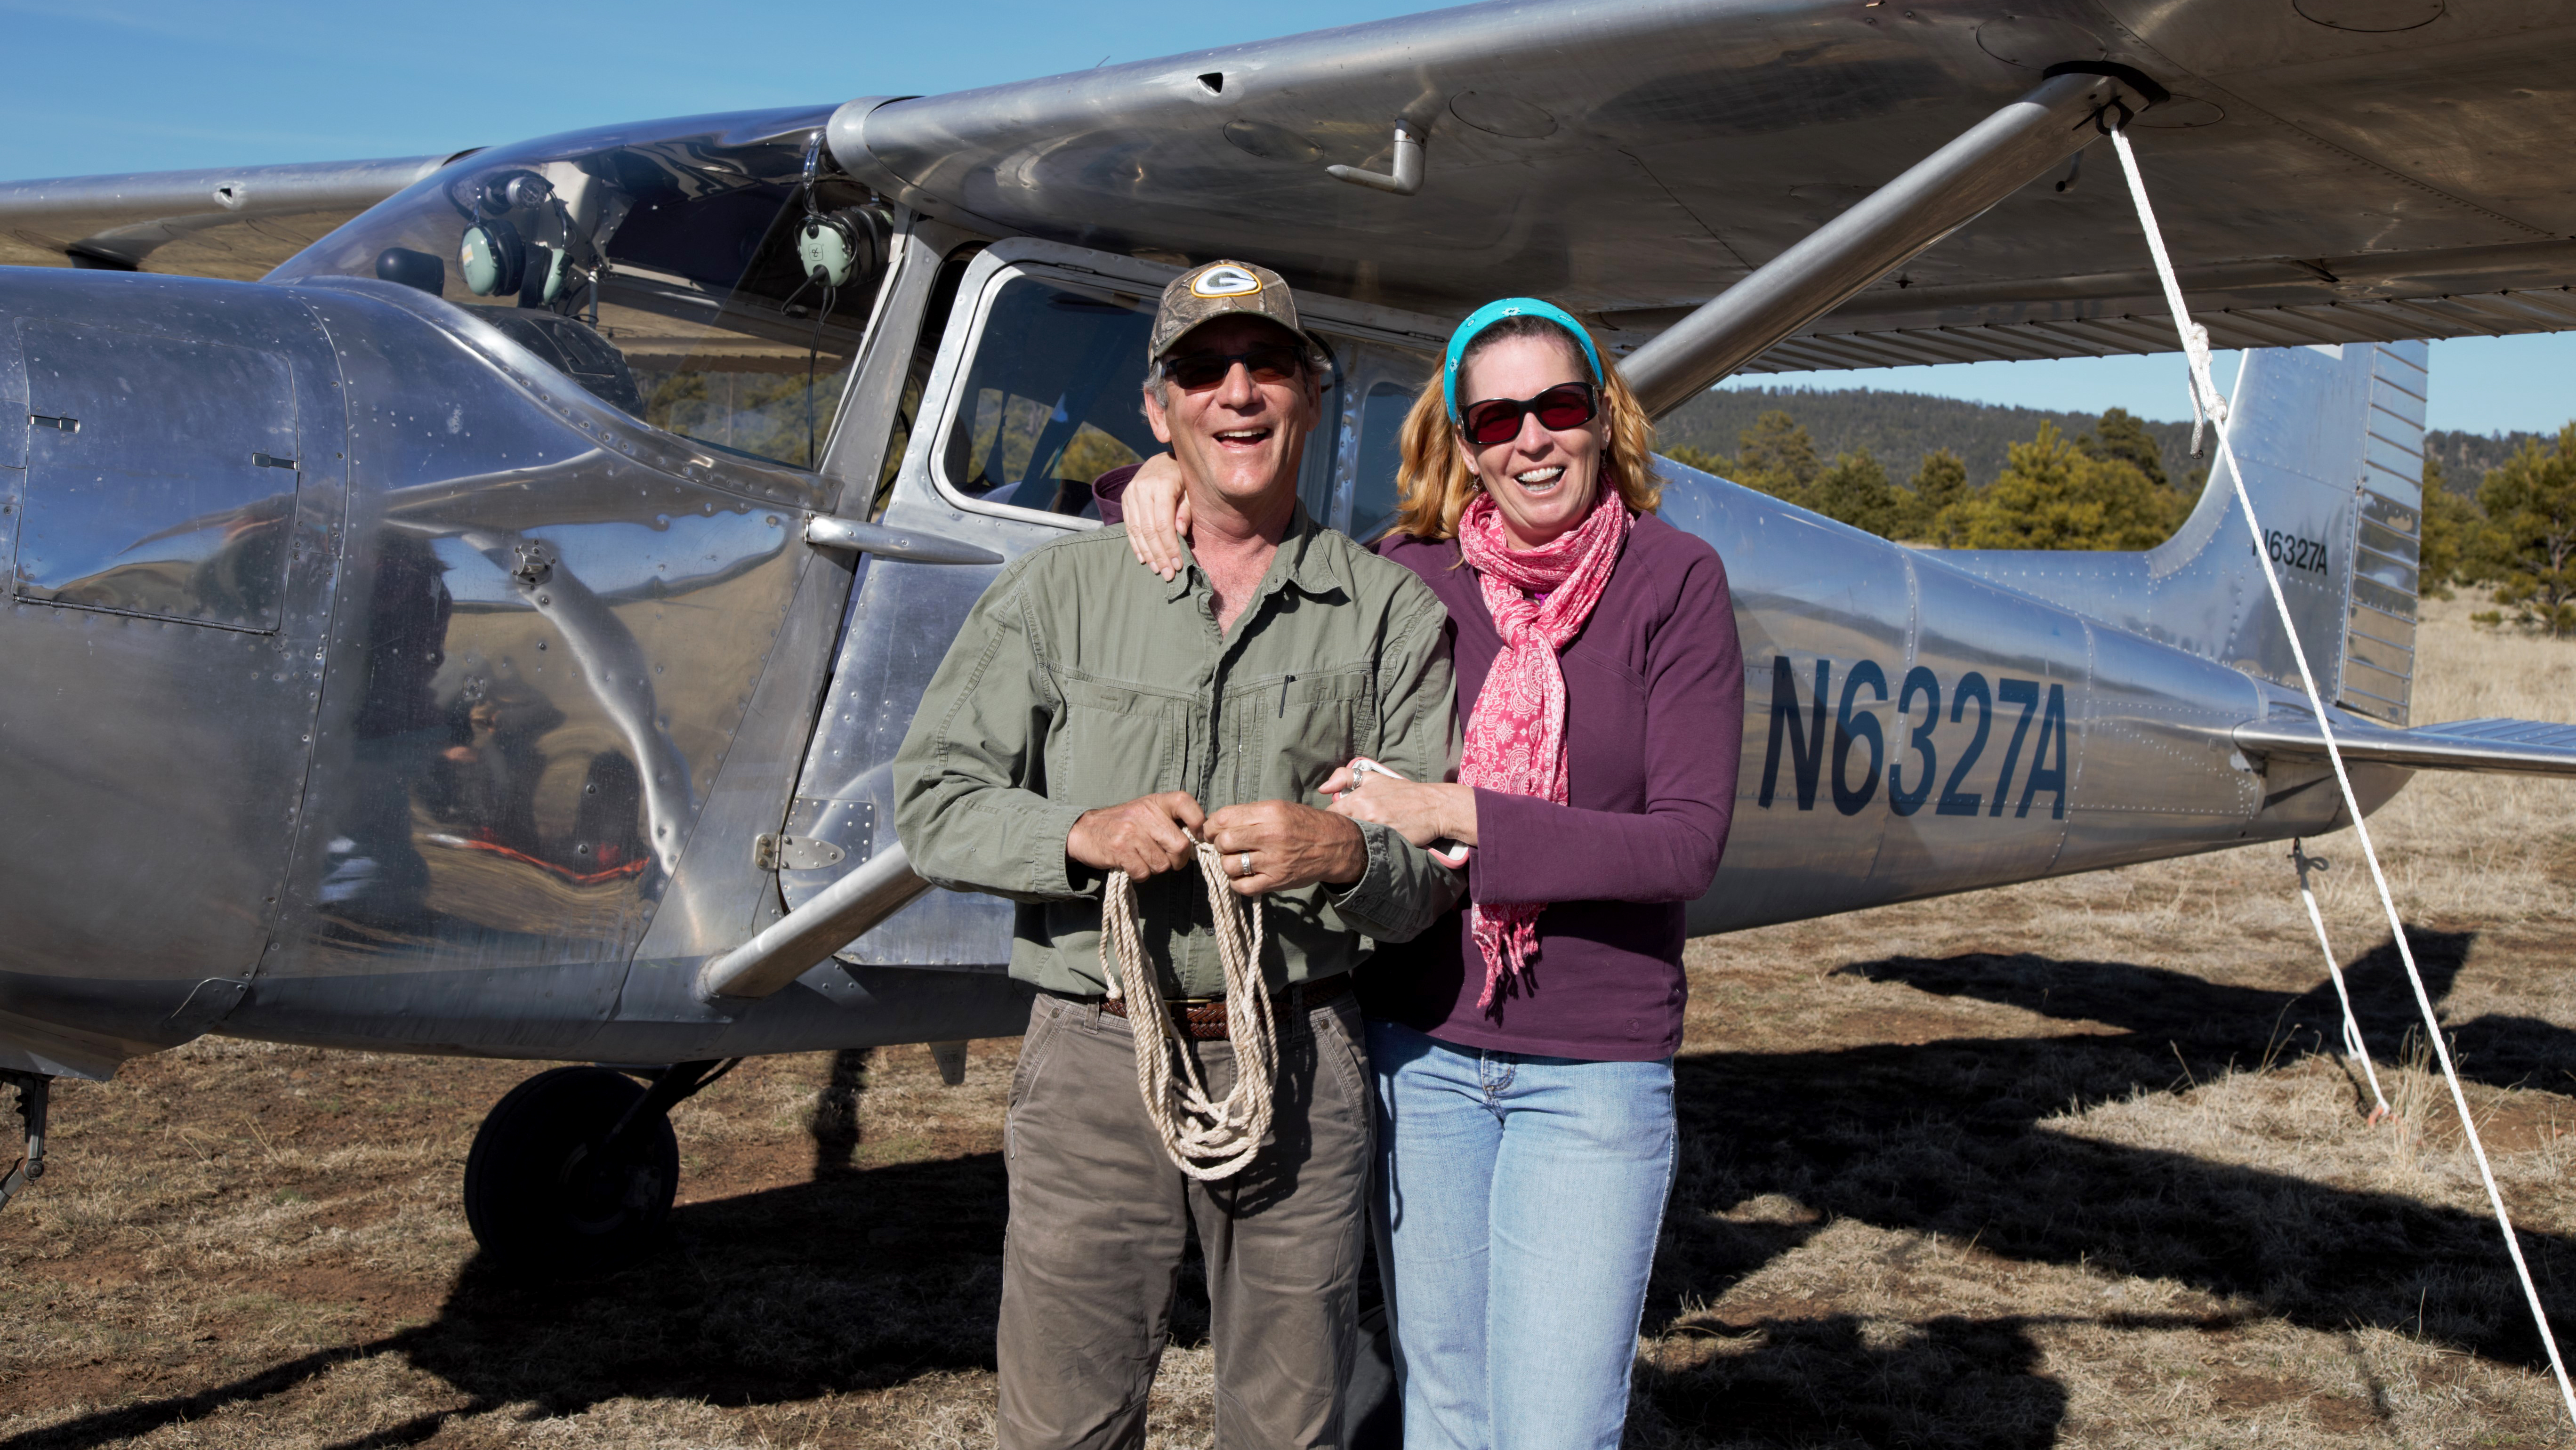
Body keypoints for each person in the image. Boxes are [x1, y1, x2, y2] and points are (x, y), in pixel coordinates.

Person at [1114, 297, 1745, 1449]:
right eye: (1496, 417)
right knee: (1444, 1414)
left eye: (1559, 406)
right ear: (1461, 443)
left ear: (1603, 419)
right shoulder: (1414, 575)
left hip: (1593, 1070)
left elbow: (1685, 844)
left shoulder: (1676, 578)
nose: (1531, 439)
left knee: (1551, 1427)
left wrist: (1459, 810)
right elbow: (1261, 560)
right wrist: (1150, 486)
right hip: (1426, 1049)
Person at [892, 258, 1465, 1450]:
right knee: (1064, 1425)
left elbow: (1423, 892)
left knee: (1291, 1423)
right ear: (1159, 412)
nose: (1237, 394)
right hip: (1097, 1052)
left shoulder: (1392, 617)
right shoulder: (1059, 596)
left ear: (1312, 395)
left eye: (1268, 368)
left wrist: (1345, 854)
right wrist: (1078, 833)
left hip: (1300, 1055)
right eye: (1204, 371)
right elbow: (934, 803)